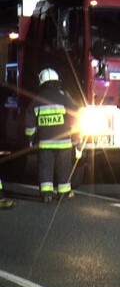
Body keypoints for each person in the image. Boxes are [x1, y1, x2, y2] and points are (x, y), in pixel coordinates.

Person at [25, 68, 78, 203]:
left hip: (45, 143)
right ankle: (64, 193)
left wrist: (30, 139)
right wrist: (76, 138)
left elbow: (30, 121)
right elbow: (74, 117)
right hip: (64, 143)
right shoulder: (64, 97)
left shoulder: (36, 100)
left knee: (45, 167)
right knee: (64, 167)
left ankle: (46, 194)